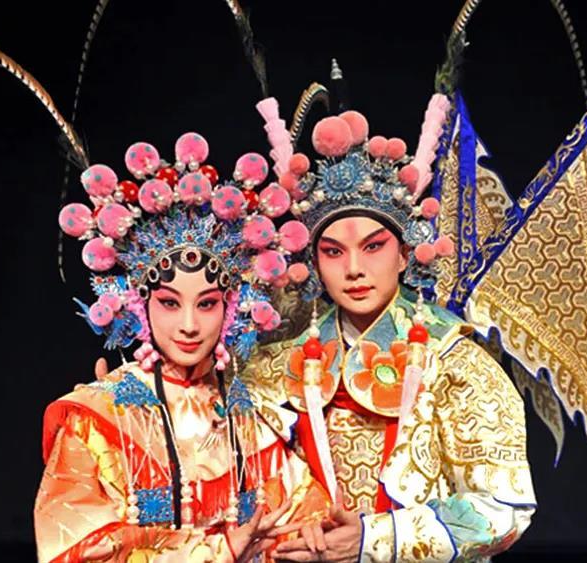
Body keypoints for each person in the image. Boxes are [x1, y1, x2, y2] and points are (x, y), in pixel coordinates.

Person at [238, 108, 536, 562]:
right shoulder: (276, 367)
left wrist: (375, 540)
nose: (354, 269)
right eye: (333, 252)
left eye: (373, 247)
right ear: (314, 264)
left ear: (404, 255)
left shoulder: (455, 363)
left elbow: (503, 508)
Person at [35, 134, 330, 562]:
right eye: (170, 303)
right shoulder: (97, 417)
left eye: (207, 304)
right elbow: (74, 548)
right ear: (140, 305)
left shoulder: (248, 414)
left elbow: (302, 512)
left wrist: (312, 539)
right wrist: (219, 551)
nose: (189, 326)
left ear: (232, 309)